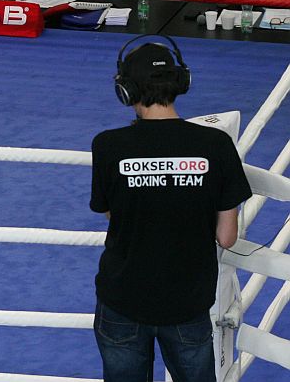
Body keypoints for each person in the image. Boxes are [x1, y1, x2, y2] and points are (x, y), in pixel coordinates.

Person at [91, 36, 251, 382]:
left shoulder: (108, 146)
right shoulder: (216, 144)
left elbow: (112, 215)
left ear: (126, 90)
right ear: (181, 82)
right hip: (187, 303)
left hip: (123, 299)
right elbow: (226, 237)